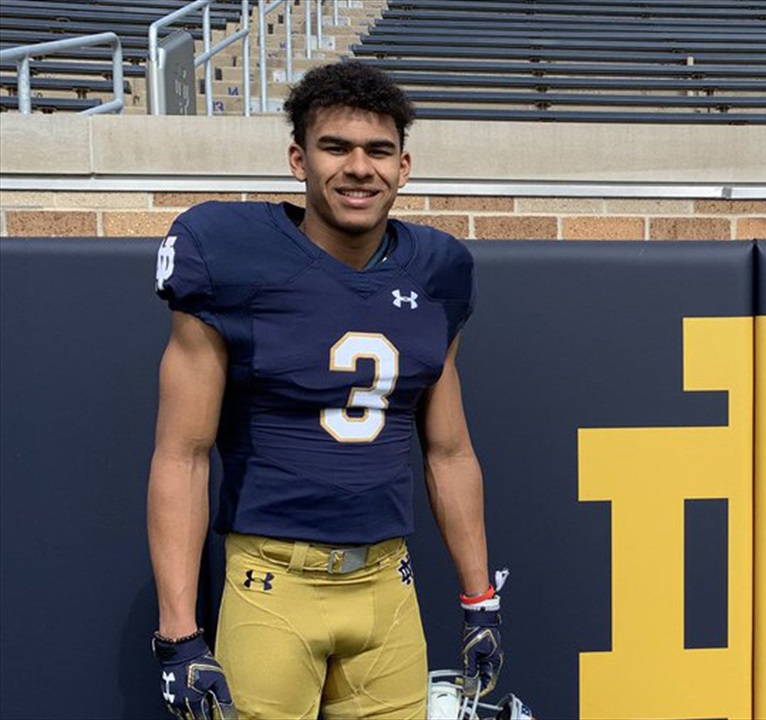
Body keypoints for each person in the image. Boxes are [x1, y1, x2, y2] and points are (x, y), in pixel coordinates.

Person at [146, 61, 502, 719]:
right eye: (336, 147)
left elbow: (449, 452)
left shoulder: (439, 271)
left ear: (403, 166)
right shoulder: (229, 253)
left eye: (378, 151)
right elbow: (182, 454)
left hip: (388, 586)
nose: (359, 168)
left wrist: (480, 599)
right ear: (298, 160)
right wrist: (178, 633)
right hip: (271, 582)